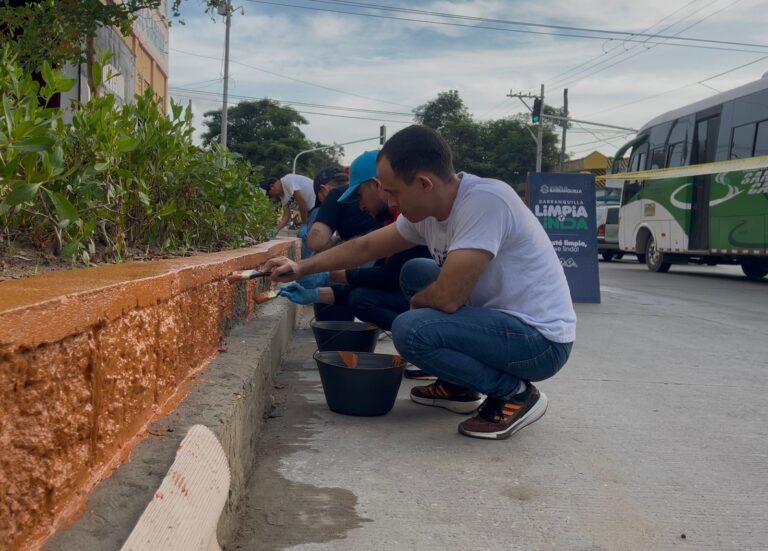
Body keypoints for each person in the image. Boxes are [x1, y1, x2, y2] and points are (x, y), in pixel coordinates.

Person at [263, 125, 576, 440]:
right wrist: (301, 268)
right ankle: (460, 386)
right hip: (500, 324)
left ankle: (516, 394)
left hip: (540, 343)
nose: (388, 198)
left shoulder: (485, 202)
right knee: (416, 271)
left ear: (424, 183)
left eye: (393, 190)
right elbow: (366, 247)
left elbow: (447, 298)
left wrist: (417, 310)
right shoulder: (427, 211)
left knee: (411, 329)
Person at [278, 150, 432, 378]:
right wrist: (316, 294)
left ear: (377, 185)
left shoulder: (416, 217)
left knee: (400, 279)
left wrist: (326, 275)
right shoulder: (397, 221)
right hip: (430, 297)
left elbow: (388, 276)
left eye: (359, 195)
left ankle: (428, 349)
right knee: (362, 296)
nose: (360, 207)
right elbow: (373, 265)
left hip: (461, 307)